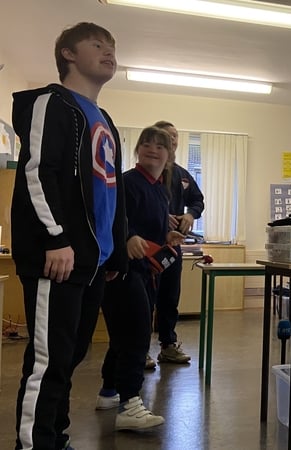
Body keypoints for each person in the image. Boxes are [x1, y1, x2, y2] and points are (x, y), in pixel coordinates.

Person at [11, 22, 128, 450]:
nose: (109, 52)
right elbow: (37, 173)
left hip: (92, 263)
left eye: (113, 47)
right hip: (58, 255)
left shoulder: (104, 119)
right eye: (98, 44)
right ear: (68, 54)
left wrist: (113, 257)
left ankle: (54, 438)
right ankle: (35, 445)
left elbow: (110, 193)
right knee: (49, 361)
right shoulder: (52, 102)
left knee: (71, 355)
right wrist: (55, 237)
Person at [96, 126, 183, 430]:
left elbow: (152, 226)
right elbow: (110, 216)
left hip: (145, 271)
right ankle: (130, 403)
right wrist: (129, 235)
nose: (152, 149)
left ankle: (109, 392)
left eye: (159, 146)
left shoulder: (160, 188)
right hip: (121, 269)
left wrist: (168, 233)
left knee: (123, 335)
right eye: (146, 144)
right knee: (136, 335)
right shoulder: (125, 182)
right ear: (137, 150)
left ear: (169, 154)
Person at [150, 120, 204, 366]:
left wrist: (190, 215)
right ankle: (139, 350)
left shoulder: (183, 174)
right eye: (167, 135)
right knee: (145, 298)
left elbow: (197, 201)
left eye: (175, 136)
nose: (172, 139)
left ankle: (168, 345)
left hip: (173, 248)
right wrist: (161, 218)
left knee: (170, 296)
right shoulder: (145, 172)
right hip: (146, 246)